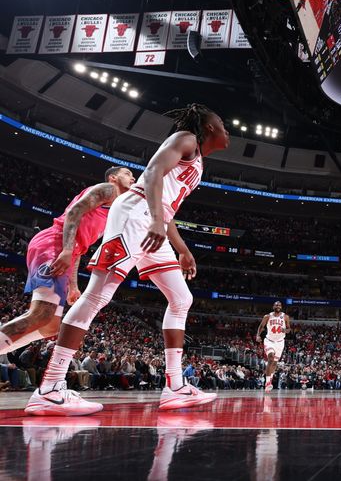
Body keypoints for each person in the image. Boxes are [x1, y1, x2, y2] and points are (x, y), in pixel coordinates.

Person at [25, 103, 230, 416]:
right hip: (136, 214)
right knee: (97, 297)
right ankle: (50, 388)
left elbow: (166, 204)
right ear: (209, 127)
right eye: (222, 123)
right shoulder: (187, 138)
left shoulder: (197, 159)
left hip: (152, 218)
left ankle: (174, 386)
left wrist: (182, 247)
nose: (227, 130)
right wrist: (158, 222)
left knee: (181, 298)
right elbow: (152, 174)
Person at [0, 167, 135, 354]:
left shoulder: (114, 209)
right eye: (127, 173)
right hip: (53, 244)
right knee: (41, 314)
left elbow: (79, 248)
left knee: (50, 326)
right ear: (113, 177)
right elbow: (74, 212)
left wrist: (73, 285)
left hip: (66, 250)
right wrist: (66, 250)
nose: (133, 177)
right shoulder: (108, 189)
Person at [256, 301, 290, 392]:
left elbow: (289, 329)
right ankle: (267, 382)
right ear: (273, 306)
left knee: (275, 362)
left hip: (280, 342)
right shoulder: (267, 316)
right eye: (276, 305)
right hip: (269, 341)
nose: (278, 306)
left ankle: (270, 378)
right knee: (270, 358)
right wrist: (258, 335)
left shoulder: (285, 317)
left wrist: (285, 330)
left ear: (281, 307)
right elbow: (261, 326)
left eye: (279, 305)